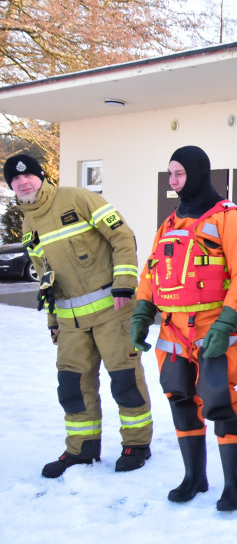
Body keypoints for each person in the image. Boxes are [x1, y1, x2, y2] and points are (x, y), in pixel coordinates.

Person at [6, 154, 153, 478]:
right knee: (72, 385)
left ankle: (137, 444)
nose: (23, 182)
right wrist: (53, 322)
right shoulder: (28, 224)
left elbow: (122, 236)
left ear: (41, 176)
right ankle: (81, 449)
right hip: (70, 322)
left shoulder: (78, 198)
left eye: (28, 176)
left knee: (125, 381)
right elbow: (47, 280)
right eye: (15, 180)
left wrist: (125, 283)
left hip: (112, 310)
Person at [130, 146, 237, 512]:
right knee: (181, 399)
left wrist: (227, 320)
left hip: (213, 326)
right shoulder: (170, 223)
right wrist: (142, 311)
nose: (173, 181)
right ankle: (194, 477)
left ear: (199, 173)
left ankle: (233, 487)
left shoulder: (229, 218)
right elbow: (151, 271)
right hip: (173, 329)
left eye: (180, 174)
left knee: (219, 401)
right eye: (170, 174)